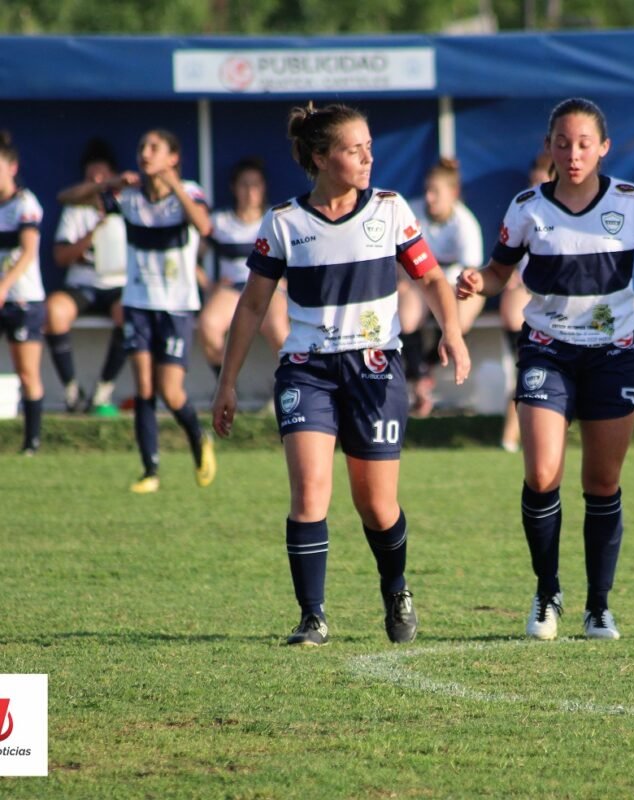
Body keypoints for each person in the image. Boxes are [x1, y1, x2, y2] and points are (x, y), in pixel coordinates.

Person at [212, 103, 471, 647]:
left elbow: (432, 281)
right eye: (356, 150)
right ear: (321, 157)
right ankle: (312, 617)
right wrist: (227, 381)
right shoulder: (284, 222)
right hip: (307, 372)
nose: (368, 157)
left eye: (369, 146)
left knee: (376, 505)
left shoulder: (390, 211)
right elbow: (252, 306)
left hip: (375, 370)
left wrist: (453, 332)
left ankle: (396, 588)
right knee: (310, 495)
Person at [458, 98, 634, 641]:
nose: (573, 152)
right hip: (547, 350)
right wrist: (477, 282)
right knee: (541, 475)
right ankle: (546, 591)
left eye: (585, 143)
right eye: (563, 142)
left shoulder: (633, 203)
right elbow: (497, 272)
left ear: (604, 148)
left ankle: (598, 606)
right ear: (549, 148)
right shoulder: (526, 207)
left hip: (613, 354)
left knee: (601, 482)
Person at [64, 129, 217, 494]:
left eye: (154, 147)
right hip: (137, 303)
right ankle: (150, 470)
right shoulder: (129, 198)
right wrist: (113, 182)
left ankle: (199, 437)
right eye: (141, 147)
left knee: (170, 391)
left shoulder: (190, 192)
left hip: (177, 307)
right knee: (144, 387)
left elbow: (204, 226)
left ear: (173, 157)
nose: (145, 153)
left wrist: (174, 185)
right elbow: (67, 197)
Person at [397, 157, 483, 416]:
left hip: (453, 287)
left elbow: (471, 273)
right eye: (427, 191)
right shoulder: (411, 212)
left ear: (453, 193)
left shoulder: (465, 224)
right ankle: (418, 377)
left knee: (460, 317)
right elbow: (400, 263)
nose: (429, 198)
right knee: (407, 315)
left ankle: (427, 368)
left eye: (436, 192)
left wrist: (447, 287)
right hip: (419, 284)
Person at [48, 138, 128, 414]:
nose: (97, 183)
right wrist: (92, 233)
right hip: (82, 285)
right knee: (54, 312)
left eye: (102, 176)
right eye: (90, 177)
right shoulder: (75, 208)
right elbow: (60, 256)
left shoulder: (126, 205)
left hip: (117, 285)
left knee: (128, 314)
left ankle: (103, 390)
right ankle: (71, 391)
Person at [198, 157, 288, 385]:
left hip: (271, 287)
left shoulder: (277, 218)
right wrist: (208, 284)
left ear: (264, 187)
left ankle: (292, 387)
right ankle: (227, 389)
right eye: (244, 185)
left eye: (255, 185)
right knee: (208, 326)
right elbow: (190, 258)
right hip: (234, 287)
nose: (250, 192)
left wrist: (287, 281)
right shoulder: (220, 221)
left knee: (277, 329)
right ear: (234, 188)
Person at [500, 152, 553, 453]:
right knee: (527, 372)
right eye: (532, 180)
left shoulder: (573, 218)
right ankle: (511, 436)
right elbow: (503, 267)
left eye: (542, 180)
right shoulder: (521, 212)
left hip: (563, 311)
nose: (536, 186)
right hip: (529, 307)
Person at [0, 131, 45, 455]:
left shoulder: (25, 204)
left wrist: (3, 285)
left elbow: (28, 252)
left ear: (12, 167)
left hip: (21, 299)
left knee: (27, 372)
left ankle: (32, 442)